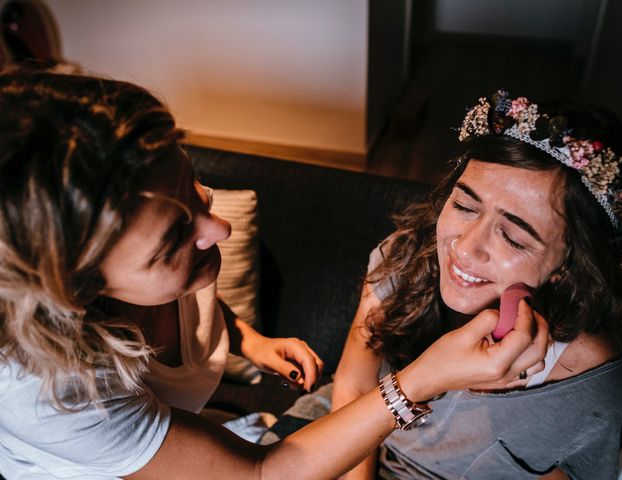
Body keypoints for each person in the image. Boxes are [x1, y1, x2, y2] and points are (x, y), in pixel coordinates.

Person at [0, 69, 546, 479]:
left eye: (190, 179)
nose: (219, 229)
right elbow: (262, 475)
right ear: (79, 291)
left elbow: (187, 296)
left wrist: (249, 340)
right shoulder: (54, 396)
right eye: (172, 240)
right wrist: (422, 379)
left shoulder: (172, 233)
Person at [261, 90, 622, 479]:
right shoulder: (404, 258)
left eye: (513, 237)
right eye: (464, 206)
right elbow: (354, 386)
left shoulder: (590, 387)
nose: (465, 247)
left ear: (572, 263)